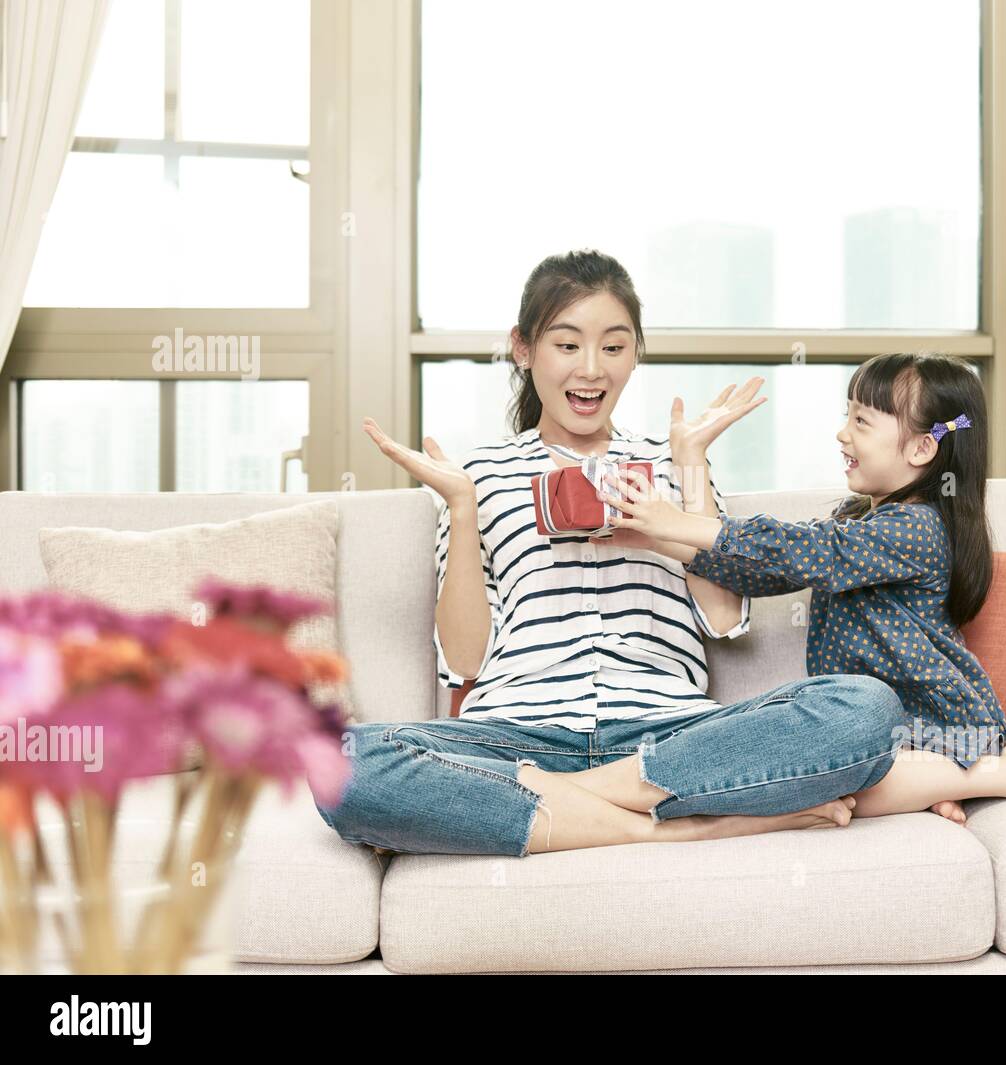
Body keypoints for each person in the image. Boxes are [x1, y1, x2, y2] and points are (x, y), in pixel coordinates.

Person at [312, 249, 910, 857]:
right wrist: (464, 511)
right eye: (567, 346)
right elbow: (465, 661)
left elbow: (725, 621)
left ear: (635, 353)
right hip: (518, 733)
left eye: (614, 347)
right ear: (524, 349)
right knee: (345, 758)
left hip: (669, 734)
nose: (591, 369)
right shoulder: (477, 474)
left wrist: (687, 476)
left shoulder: (673, 461)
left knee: (867, 709)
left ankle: (566, 801)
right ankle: (681, 823)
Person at [595, 350, 1006, 827]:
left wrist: (672, 522)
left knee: (845, 794)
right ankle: (943, 782)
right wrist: (663, 518)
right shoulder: (858, 520)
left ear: (922, 447)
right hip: (881, 728)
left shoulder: (916, 528)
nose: (843, 434)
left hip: (934, 722)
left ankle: (1004, 772)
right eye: (848, 416)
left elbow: (808, 550)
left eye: (861, 421)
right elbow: (747, 570)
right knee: (830, 774)